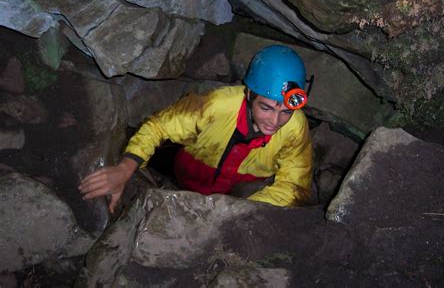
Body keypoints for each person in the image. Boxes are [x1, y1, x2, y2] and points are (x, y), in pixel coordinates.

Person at [79, 45, 313, 213]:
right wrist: (125, 168)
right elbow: (160, 126)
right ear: (249, 93)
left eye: (285, 112)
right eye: (266, 108)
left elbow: (294, 184)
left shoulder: (294, 127)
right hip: (185, 176)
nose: (274, 121)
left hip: (237, 193)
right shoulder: (215, 106)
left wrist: (241, 211)